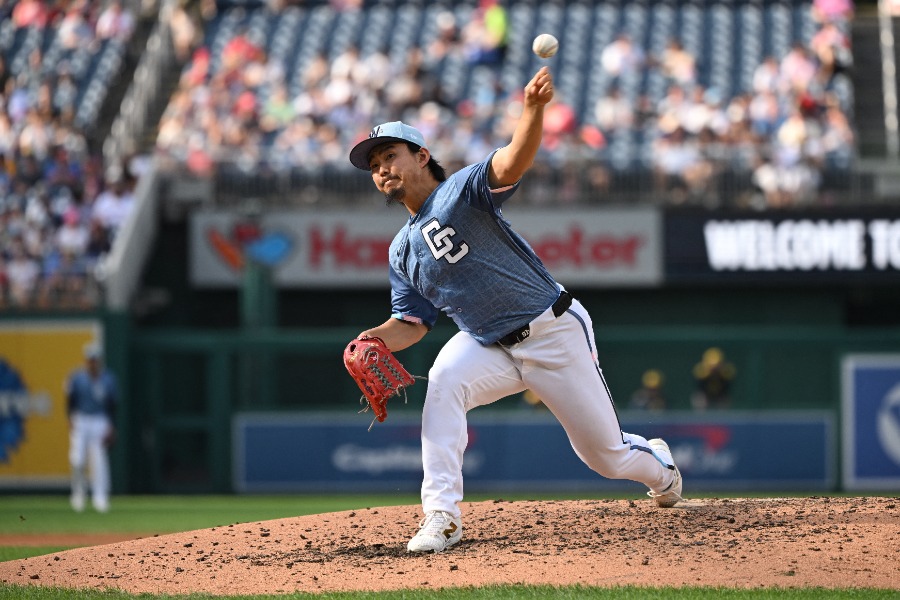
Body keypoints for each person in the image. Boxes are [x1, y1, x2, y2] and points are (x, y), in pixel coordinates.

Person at [347, 66, 683, 554]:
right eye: (374, 164)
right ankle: (441, 516)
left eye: (390, 156)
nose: (381, 169)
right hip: (488, 344)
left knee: (605, 457)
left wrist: (532, 110)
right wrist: (373, 339)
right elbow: (411, 324)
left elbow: (513, 161)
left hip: (551, 330)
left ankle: (660, 467)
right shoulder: (400, 250)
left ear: (421, 156)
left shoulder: (459, 192)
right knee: (443, 386)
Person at [65, 342, 118, 512]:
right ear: (86, 360)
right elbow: (70, 401)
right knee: (77, 459)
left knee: (99, 460)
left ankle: (100, 497)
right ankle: (78, 494)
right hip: (81, 418)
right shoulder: (77, 377)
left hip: (100, 419)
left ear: (99, 360)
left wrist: (111, 424)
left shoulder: (108, 378)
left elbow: (113, 404)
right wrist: (70, 418)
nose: (92, 362)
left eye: (95, 359)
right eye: (90, 359)